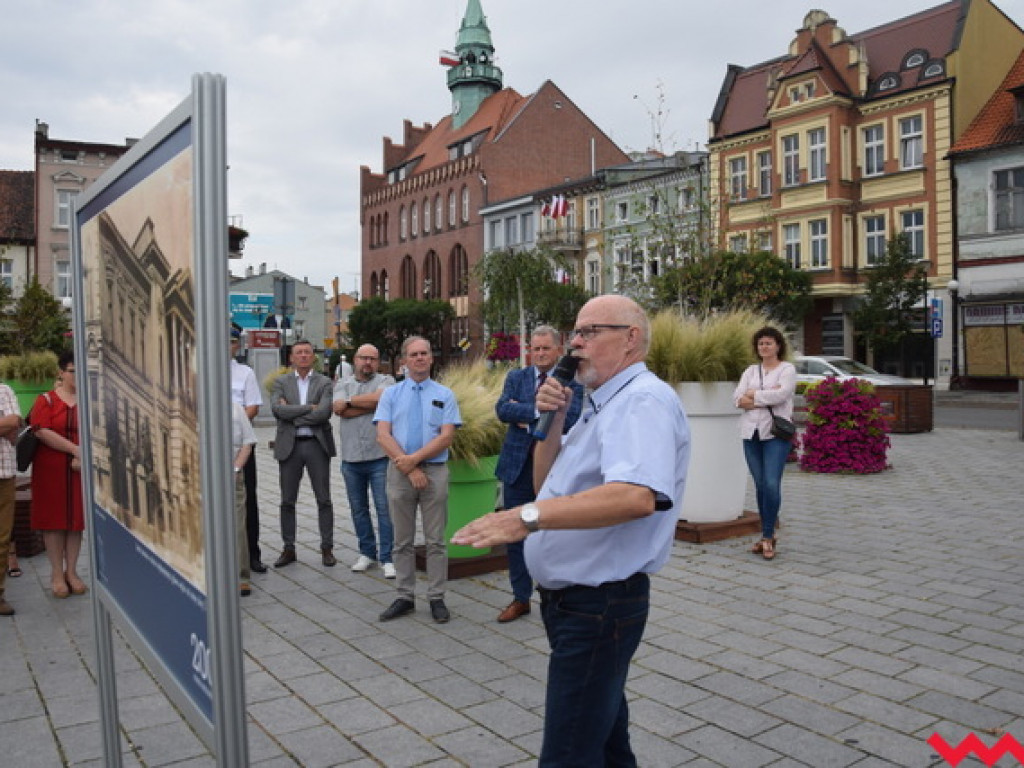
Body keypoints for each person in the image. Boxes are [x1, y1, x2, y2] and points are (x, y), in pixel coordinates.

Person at [453, 295, 690, 766]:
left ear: (631, 339)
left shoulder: (642, 401)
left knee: (567, 753)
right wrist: (556, 420)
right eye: (575, 333)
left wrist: (521, 518)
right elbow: (547, 486)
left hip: (599, 605)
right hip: (573, 602)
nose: (575, 343)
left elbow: (635, 496)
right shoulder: (603, 402)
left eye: (589, 332)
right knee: (604, 740)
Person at [493, 325, 583, 623]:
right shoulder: (516, 377)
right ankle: (521, 598)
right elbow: (503, 409)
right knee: (516, 535)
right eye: (536, 348)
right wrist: (538, 413)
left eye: (546, 348)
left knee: (552, 532)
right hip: (517, 470)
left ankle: (553, 592)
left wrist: (526, 414)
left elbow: (568, 419)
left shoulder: (573, 383)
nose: (540, 354)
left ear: (558, 350)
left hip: (553, 473)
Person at [374, 336, 461, 624]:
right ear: (405, 361)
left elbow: (447, 436)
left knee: (436, 540)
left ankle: (436, 597)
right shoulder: (391, 395)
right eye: (414, 354)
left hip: (434, 471)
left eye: (425, 353)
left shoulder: (445, 394)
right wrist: (409, 467)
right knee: (402, 540)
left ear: (431, 358)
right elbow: (383, 435)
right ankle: (404, 595)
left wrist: (416, 461)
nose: (420, 358)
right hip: (400, 472)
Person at [270, 340, 338, 568]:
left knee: (324, 499)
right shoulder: (280, 382)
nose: (303, 356)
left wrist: (292, 412)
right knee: (287, 501)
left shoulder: (325, 381)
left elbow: (323, 414)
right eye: (298, 352)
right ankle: (288, 548)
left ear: (313, 357)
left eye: (307, 352)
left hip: (316, 445)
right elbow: (277, 410)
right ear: (291, 357)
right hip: (290, 446)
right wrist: (310, 407)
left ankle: (327, 548)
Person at [733, 326, 796, 561]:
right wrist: (761, 394)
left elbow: (783, 394)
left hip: (775, 434)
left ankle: (769, 536)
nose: (764, 347)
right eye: (761, 344)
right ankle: (764, 535)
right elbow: (737, 399)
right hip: (751, 433)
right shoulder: (750, 370)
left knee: (771, 483)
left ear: (778, 346)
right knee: (760, 484)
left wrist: (754, 395)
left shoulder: (787, 369)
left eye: (769, 343)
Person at [333, 343, 396, 577]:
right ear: (355, 359)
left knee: (384, 509)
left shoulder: (386, 381)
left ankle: (387, 557)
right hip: (351, 458)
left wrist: (350, 402)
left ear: (378, 361)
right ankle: (367, 552)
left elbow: (383, 398)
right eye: (363, 358)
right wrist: (372, 406)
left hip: (379, 456)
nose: (368, 362)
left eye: (373, 358)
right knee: (358, 509)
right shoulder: (342, 383)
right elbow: (339, 410)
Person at [30, 351, 86, 599]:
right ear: (61, 372)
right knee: (54, 522)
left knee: (76, 521)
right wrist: (75, 449)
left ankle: (72, 572)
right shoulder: (46, 400)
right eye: (72, 370)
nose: (76, 375)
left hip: (79, 470)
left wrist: (82, 455)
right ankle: (55, 573)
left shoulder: (88, 400)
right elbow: (41, 431)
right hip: (51, 468)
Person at [230, 331, 266, 573]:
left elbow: (252, 406)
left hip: (239, 442)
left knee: (247, 499)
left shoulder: (245, 373)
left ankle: (251, 554)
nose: (226, 345)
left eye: (231, 341)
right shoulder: (200, 369)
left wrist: (236, 421)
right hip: (209, 443)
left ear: (237, 345)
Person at [0, 380, 21, 616]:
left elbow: (14, 423)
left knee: (2, 536)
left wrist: (8, 424)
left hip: (3, 473)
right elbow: (6, 424)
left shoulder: (3, 389)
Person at [232, 402, 257, 595]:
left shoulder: (236, 408)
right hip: (204, 477)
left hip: (233, 475)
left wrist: (236, 469)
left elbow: (248, 442)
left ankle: (242, 577)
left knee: (238, 526)